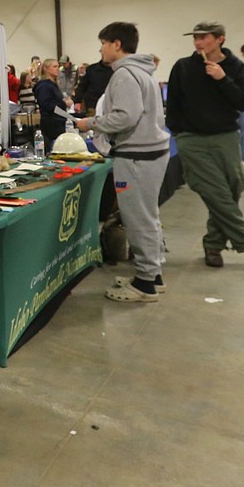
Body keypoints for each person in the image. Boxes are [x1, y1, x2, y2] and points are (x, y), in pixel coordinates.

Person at [166, 22, 244, 274]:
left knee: (233, 187)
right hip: (192, 138)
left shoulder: (235, 66)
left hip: (225, 136)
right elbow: (173, 102)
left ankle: (213, 243)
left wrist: (222, 78)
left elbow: (241, 102)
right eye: (195, 38)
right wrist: (178, 131)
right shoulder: (183, 66)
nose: (198, 42)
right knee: (214, 191)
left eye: (203, 37)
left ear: (220, 39)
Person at [76, 23, 170, 302]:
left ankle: (144, 285)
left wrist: (90, 123)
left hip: (137, 155)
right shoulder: (143, 71)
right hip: (150, 152)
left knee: (137, 219)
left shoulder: (125, 74)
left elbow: (125, 116)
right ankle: (152, 275)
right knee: (148, 217)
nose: (101, 50)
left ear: (117, 44)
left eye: (103, 43)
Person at [33, 58, 72, 151]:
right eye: (54, 66)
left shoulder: (53, 85)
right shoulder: (44, 85)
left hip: (58, 123)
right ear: (46, 69)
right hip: (50, 125)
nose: (58, 69)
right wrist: (64, 103)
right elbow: (46, 104)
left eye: (58, 66)